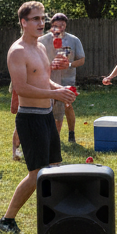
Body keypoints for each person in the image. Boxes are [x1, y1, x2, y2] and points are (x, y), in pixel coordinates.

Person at [0, 2, 76, 234]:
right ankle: (6, 220)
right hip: (30, 118)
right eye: (36, 19)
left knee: (53, 167)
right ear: (23, 22)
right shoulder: (17, 51)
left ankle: (54, 215)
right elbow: (21, 88)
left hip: (47, 115)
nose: (42, 23)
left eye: (43, 19)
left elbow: (43, 79)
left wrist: (61, 90)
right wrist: (54, 93)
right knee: (36, 174)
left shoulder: (40, 47)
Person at [38, 13, 85, 144]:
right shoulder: (42, 40)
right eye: (56, 25)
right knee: (48, 106)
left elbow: (81, 60)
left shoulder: (73, 40)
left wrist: (69, 64)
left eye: (62, 25)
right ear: (51, 26)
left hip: (67, 78)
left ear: (66, 25)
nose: (59, 27)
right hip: (48, 78)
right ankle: (52, 137)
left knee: (67, 105)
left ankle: (71, 134)